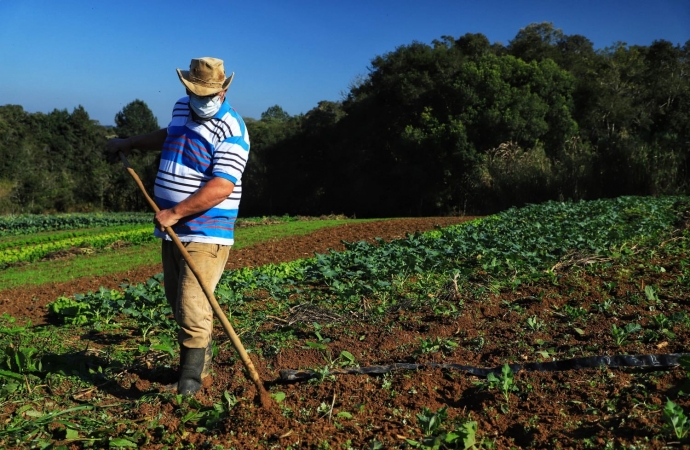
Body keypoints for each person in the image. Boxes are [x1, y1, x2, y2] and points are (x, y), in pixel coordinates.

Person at [107, 57, 250, 395]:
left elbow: (222, 186)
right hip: (174, 230)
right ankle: (200, 366)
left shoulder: (232, 129)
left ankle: (191, 382)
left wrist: (175, 212)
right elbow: (168, 135)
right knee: (178, 300)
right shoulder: (182, 108)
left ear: (224, 89)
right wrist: (130, 142)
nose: (200, 98)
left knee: (191, 302)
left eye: (208, 93)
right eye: (195, 91)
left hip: (206, 229)